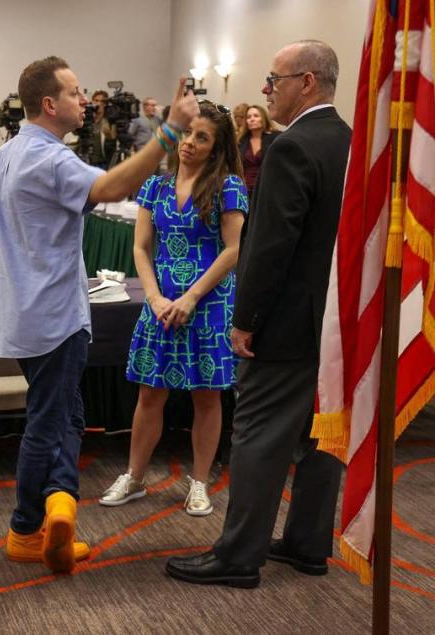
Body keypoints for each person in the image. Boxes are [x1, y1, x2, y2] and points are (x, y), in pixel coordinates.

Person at [0, 56, 198, 574]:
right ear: (50, 104)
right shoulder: (50, 159)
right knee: (49, 421)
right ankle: (26, 527)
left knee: (65, 414)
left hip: (20, 314)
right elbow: (112, 189)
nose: (85, 99)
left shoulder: (3, 155)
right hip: (54, 315)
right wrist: (169, 132)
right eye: (76, 93)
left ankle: (59, 504)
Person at [166, 40, 352, 589]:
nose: (267, 90)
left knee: (258, 434)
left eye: (275, 80)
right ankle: (307, 543)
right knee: (322, 435)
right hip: (336, 323)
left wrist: (244, 320)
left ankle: (239, 555)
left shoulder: (292, 147)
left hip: (286, 323)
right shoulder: (352, 143)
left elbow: (270, 245)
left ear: (308, 82)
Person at [99, 101, 247, 517]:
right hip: (161, 303)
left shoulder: (228, 186)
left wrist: (191, 297)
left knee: (207, 398)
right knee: (149, 394)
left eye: (202, 137)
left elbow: (234, 250)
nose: (189, 142)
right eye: (187, 133)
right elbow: (141, 248)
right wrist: (155, 297)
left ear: (217, 147)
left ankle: (199, 484)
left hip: (209, 302)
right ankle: (135, 476)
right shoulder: (155, 186)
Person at [238, 104, 280, 196]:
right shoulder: (241, 141)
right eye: (249, 117)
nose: (252, 119)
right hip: (245, 190)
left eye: (256, 116)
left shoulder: (276, 138)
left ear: (263, 118)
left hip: (267, 188)